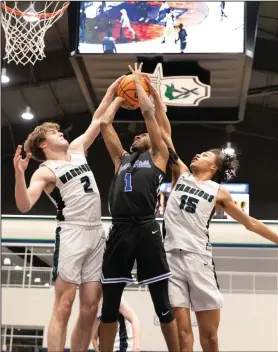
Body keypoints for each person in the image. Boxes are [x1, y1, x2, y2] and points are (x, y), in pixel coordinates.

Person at [143, 77, 278, 352]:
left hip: (199, 259)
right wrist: (156, 100)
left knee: (210, 338)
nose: (198, 154)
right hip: (170, 257)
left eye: (205, 154)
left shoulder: (219, 193)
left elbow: (251, 223)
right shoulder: (179, 173)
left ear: (214, 167)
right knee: (182, 336)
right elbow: (163, 135)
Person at [13, 76, 124, 352]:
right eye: (54, 133)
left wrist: (114, 92)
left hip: (96, 233)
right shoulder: (44, 171)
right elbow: (24, 205)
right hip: (72, 233)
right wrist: (18, 174)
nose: (61, 133)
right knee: (64, 305)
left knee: (90, 309)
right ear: (43, 144)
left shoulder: (76, 150)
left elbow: (98, 122)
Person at [98, 63, 179, 352]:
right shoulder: (121, 160)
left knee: (162, 304)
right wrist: (120, 96)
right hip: (119, 229)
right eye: (135, 136)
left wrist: (143, 87)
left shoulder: (159, 155)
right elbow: (105, 125)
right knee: (108, 307)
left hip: (146, 228)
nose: (136, 136)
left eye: (141, 135)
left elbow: (148, 114)